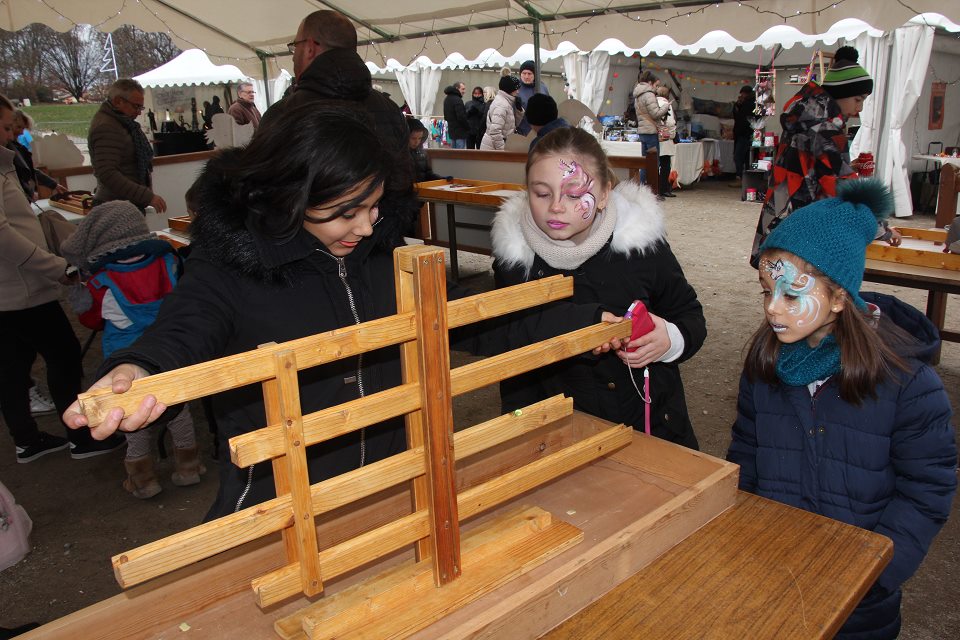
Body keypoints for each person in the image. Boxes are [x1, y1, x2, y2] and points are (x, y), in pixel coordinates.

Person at [62, 103, 613, 520]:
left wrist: (586, 324)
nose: (367, 226)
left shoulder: (381, 256)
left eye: (374, 206)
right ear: (292, 195)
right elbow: (184, 326)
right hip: (282, 493)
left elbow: (473, 319)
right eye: (346, 211)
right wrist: (137, 369)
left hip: (394, 479)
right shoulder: (233, 270)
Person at [728, 179, 957, 639]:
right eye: (765, 291)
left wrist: (875, 572)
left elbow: (926, 489)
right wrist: (745, 535)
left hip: (862, 599)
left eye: (792, 295)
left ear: (839, 298)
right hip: (774, 572)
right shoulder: (764, 366)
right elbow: (746, 456)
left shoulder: (907, 383)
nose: (773, 310)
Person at [490, 127, 706, 448]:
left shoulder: (642, 247)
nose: (556, 207)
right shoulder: (516, 263)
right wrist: (522, 432)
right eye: (542, 193)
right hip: (564, 434)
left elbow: (690, 316)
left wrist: (669, 339)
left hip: (652, 427)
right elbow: (512, 352)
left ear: (604, 193)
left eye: (575, 193)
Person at [0, 92, 124, 463]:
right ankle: (81, 437)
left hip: (13, 288)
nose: (11, 134)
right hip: (21, 288)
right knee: (64, 355)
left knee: (13, 364)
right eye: (6, 127)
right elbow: (6, 237)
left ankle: (26, 439)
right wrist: (59, 268)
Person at [61, 201, 206, 499]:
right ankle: (189, 467)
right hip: (169, 345)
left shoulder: (103, 279)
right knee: (178, 411)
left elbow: (91, 319)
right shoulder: (168, 261)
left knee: (132, 417)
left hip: (125, 353)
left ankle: (143, 480)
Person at [262, 9, 416, 243]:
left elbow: (269, 198)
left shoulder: (285, 113)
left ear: (311, 47)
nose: (293, 56)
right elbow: (403, 182)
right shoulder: (389, 108)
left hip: (308, 253)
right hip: (382, 243)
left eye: (295, 47)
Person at [749, 46, 899, 267]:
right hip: (806, 225)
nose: (859, 109)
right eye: (858, 99)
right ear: (841, 93)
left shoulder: (805, 115)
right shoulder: (825, 127)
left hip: (783, 216)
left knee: (781, 284)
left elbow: (810, 168)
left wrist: (846, 164)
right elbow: (842, 186)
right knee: (800, 289)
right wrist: (879, 228)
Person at [88, 79, 167, 214]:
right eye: (136, 106)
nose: (139, 112)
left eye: (140, 107)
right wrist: (146, 196)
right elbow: (107, 173)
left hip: (123, 205)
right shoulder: (107, 127)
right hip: (114, 209)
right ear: (118, 101)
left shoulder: (122, 123)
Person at [9, 110, 67, 202]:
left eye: (23, 128)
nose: (21, 132)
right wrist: (29, 193)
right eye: (18, 127)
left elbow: (29, 170)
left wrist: (54, 184)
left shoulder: (16, 147)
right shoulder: (9, 149)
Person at [632, 71, 669, 190]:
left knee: (644, 163)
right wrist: (666, 106)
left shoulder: (638, 94)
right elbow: (655, 113)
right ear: (649, 82)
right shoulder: (649, 94)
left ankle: (642, 189)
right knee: (653, 163)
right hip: (650, 131)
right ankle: (652, 191)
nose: (656, 88)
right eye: (656, 85)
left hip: (642, 131)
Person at [480, 76, 523, 151]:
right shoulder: (502, 105)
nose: (518, 91)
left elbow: (512, 125)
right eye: (516, 89)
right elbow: (495, 131)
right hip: (493, 147)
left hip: (495, 145)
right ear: (509, 89)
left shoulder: (506, 102)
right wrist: (502, 150)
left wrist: (519, 110)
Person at [729, 86, 756, 189]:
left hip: (745, 134)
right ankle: (742, 178)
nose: (741, 96)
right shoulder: (744, 104)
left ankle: (740, 178)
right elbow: (737, 117)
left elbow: (743, 119)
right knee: (744, 157)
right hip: (742, 133)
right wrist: (737, 106)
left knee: (739, 156)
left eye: (743, 94)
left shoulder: (750, 104)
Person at [516, 60, 550, 136]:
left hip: (541, 131)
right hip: (521, 131)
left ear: (535, 75)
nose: (526, 76)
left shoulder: (542, 87)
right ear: (520, 74)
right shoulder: (515, 88)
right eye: (524, 73)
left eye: (529, 74)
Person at [655, 85, 677, 198]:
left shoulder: (652, 103)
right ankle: (663, 189)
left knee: (655, 164)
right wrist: (672, 134)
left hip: (654, 135)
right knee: (665, 165)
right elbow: (670, 122)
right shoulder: (666, 104)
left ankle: (655, 189)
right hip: (665, 137)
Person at [442, 82, 470, 149]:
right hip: (460, 132)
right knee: (460, 155)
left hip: (452, 132)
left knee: (453, 154)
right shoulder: (457, 100)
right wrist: (468, 127)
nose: (464, 91)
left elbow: (446, 117)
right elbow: (461, 117)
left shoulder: (446, 99)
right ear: (457, 88)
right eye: (463, 89)